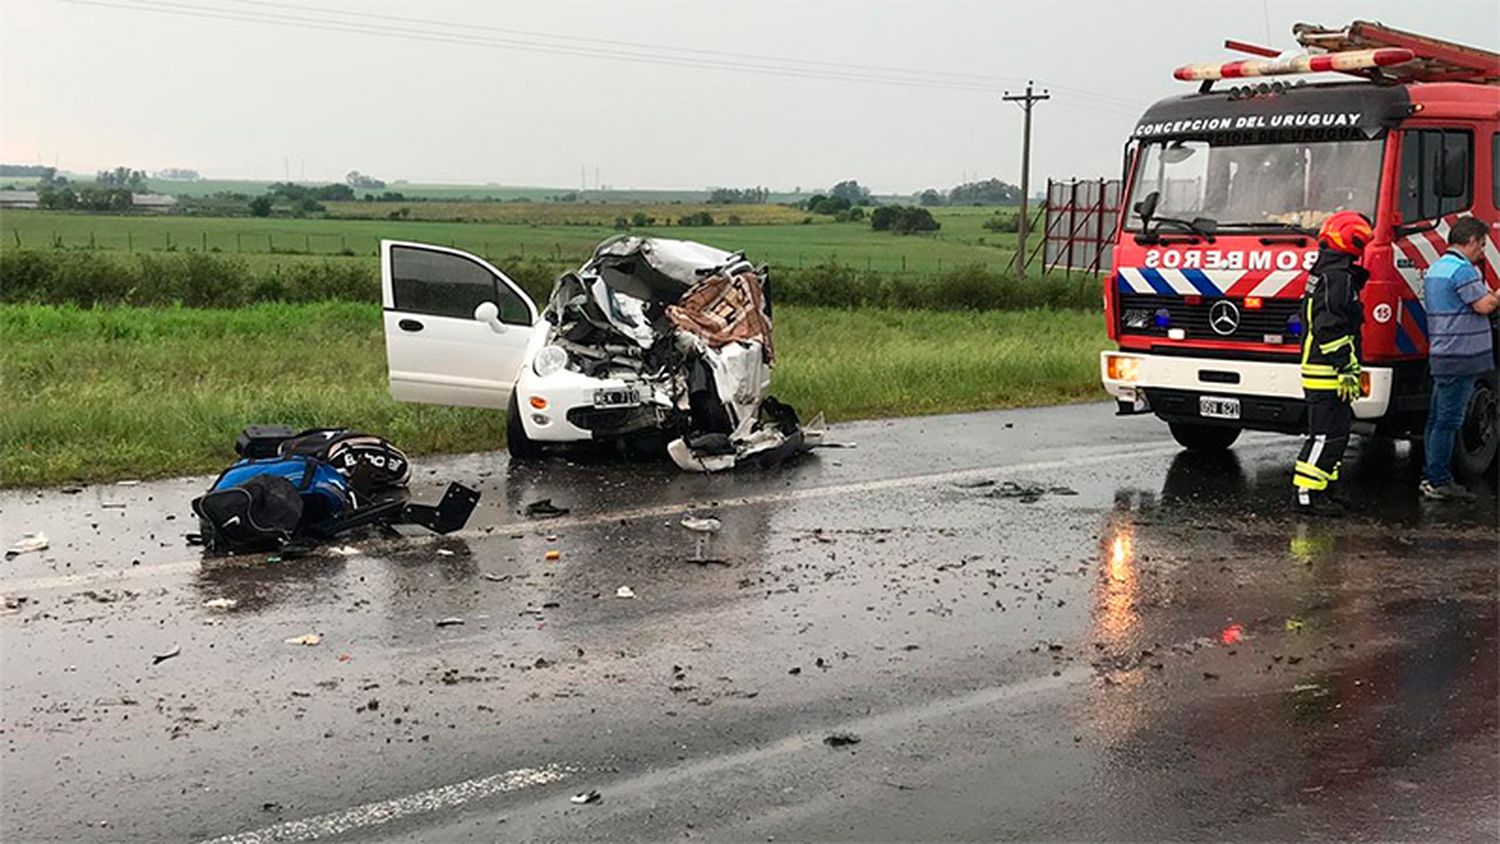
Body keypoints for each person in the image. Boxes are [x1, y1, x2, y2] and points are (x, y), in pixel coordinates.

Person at [1293, 211, 1373, 516]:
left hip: (1329, 371)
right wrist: (1345, 366)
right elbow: (1329, 327)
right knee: (1325, 436)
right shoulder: (1336, 279)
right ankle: (1305, 496)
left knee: (1337, 436)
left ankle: (1325, 489)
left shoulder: (1329, 274)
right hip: (1326, 371)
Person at [1419, 215, 1499, 501]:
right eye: (1481, 244)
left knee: (1436, 419)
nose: (1483, 250)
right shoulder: (1463, 271)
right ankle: (1438, 480)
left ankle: (1432, 475)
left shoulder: (1437, 268)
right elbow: (1484, 305)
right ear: (1470, 241)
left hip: (1443, 352)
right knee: (1449, 421)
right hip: (1460, 356)